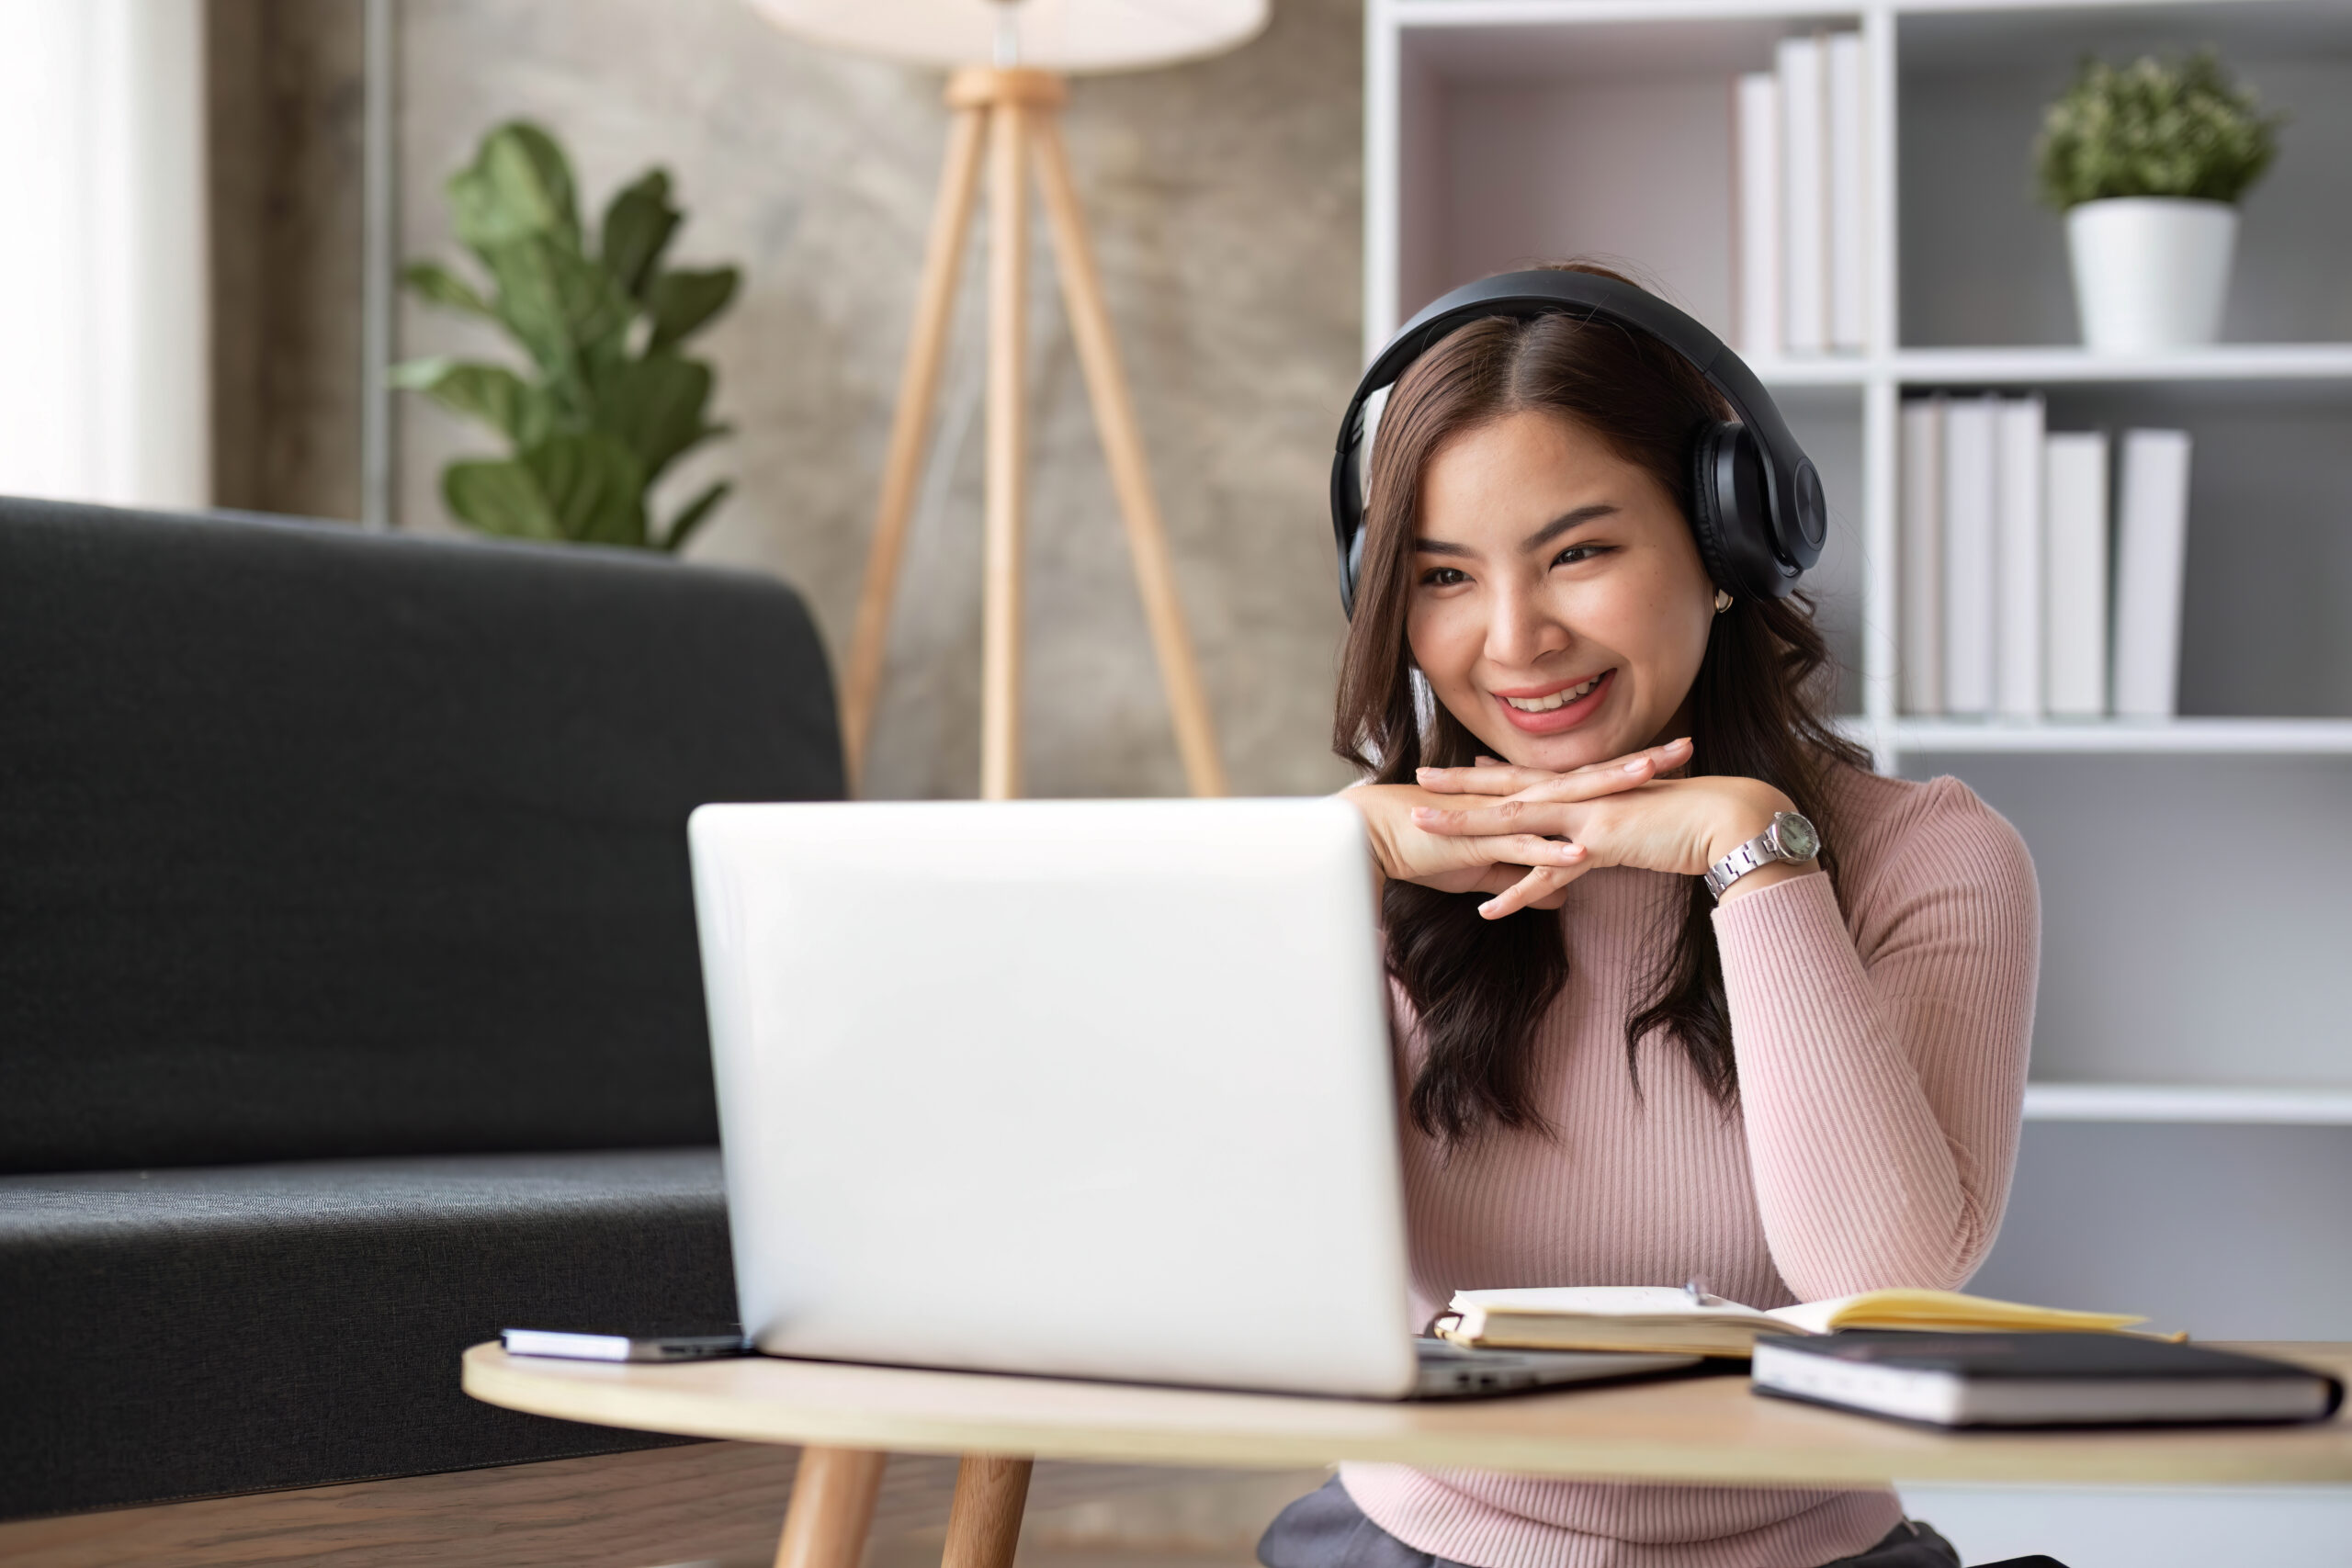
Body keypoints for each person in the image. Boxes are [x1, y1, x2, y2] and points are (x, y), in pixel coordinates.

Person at [1259, 265, 2039, 1568]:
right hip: (1417, 1548)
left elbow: (1879, 1287)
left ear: (1729, 546)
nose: (1514, 641)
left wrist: (1753, 858)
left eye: (1578, 553)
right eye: (1444, 575)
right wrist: (1317, 884)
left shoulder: (1932, 857)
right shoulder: (1366, 868)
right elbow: (1234, 1294)